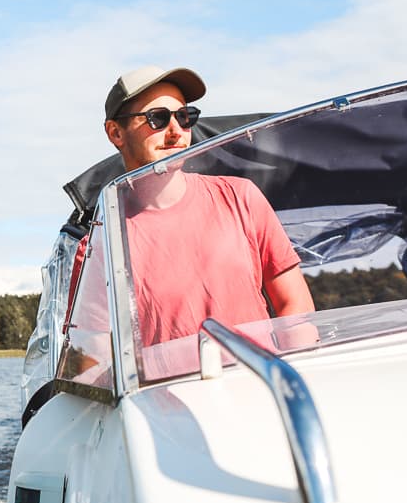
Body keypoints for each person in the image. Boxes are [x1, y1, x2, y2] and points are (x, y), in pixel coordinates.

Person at [102, 65, 315, 346]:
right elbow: (93, 352)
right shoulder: (102, 242)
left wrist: (287, 375)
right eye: (158, 119)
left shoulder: (241, 197)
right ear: (116, 133)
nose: (176, 131)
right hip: (167, 391)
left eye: (184, 117)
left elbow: (294, 306)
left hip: (259, 382)